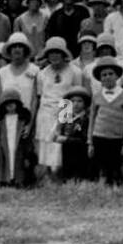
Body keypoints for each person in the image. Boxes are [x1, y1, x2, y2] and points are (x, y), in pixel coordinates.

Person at [35, 37, 84, 181]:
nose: (54, 56)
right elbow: (40, 96)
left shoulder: (74, 71)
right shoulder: (42, 73)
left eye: (57, 52)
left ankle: (62, 178)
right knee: (45, 149)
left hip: (65, 109)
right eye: (51, 53)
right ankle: (47, 179)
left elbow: (77, 95)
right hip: (45, 112)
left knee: (60, 148)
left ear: (64, 54)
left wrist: (66, 118)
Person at [87, 58, 123, 185]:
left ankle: (116, 190)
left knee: (115, 169)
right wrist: (90, 142)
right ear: (100, 78)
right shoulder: (97, 95)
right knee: (102, 168)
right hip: (100, 136)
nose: (107, 77)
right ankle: (102, 191)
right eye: (104, 75)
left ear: (117, 76)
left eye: (110, 74)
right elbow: (92, 118)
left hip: (117, 137)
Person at [0, 88, 34, 187]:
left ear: (18, 104)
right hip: (3, 147)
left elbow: (27, 141)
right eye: (7, 103)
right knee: (5, 162)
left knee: (17, 162)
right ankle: (5, 180)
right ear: (3, 106)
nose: (10, 105)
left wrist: (28, 156)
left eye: (13, 102)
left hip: (18, 147)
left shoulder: (22, 120)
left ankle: (18, 181)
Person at [51, 88, 91, 182]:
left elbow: (84, 139)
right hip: (67, 152)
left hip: (81, 152)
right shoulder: (66, 117)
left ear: (85, 103)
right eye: (73, 101)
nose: (76, 104)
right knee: (67, 170)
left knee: (80, 172)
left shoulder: (86, 119)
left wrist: (66, 139)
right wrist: (57, 133)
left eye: (79, 101)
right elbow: (57, 134)